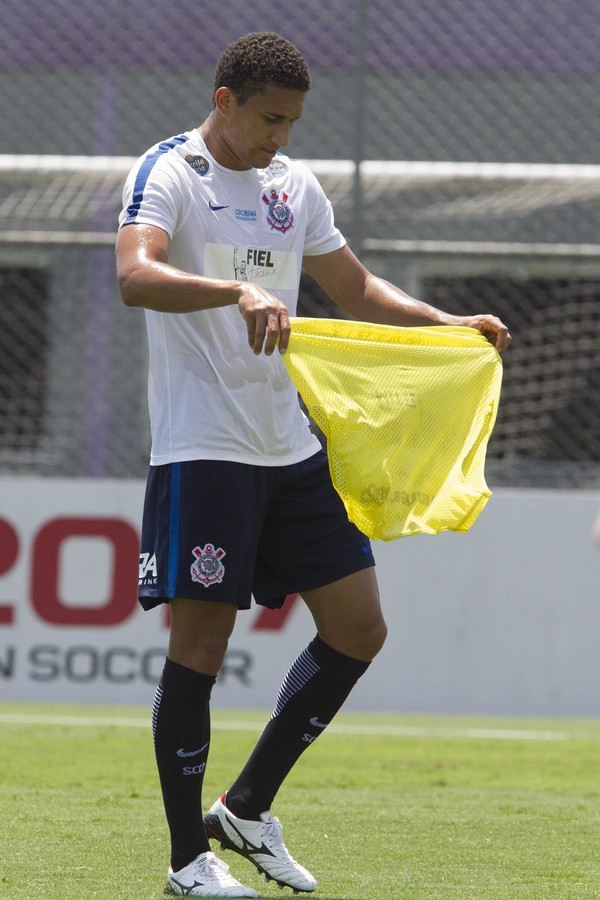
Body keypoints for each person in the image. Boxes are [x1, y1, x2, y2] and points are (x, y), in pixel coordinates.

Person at [116, 31, 511, 898]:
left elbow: (360, 291)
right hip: (206, 449)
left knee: (359, 628)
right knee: (202, 646)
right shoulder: (169, 172)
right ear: (223, 99)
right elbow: (135, 275)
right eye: (268, 119)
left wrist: (448, 325)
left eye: (292, 121)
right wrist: (236, 289)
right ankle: (189, 860)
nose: (280, 138)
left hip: (289, 447)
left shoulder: (294, 187)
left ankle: (247, 807)